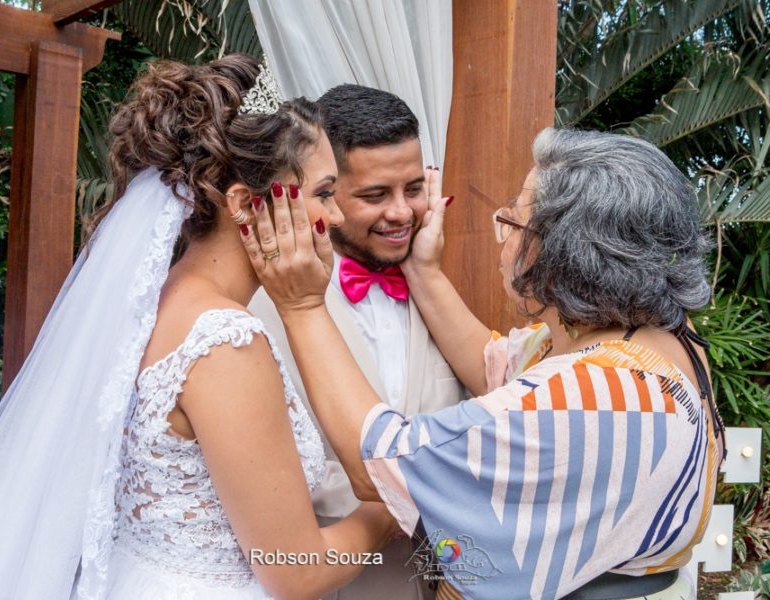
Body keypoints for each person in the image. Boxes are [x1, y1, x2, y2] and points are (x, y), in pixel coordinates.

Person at [0, 55, 398, 600]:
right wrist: (386, 509)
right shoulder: (223, 341)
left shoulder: (150, 301)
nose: (336, 218)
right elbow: (295, 571)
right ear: (245, 204)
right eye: (322, 193)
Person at [241, 127, 725, 599]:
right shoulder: (664, 340)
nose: (502, 239)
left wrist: (302, 307)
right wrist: (422, 269)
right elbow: (496, 369)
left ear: (558, 252)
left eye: (512, 223)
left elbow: (379, 465)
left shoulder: (593, 395)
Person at [250, 84, 464, 600]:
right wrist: (422, 491)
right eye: (375, 195)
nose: (402, 213)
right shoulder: (256, 309)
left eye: (414, 189)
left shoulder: (440, 298)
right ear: (328, 192)